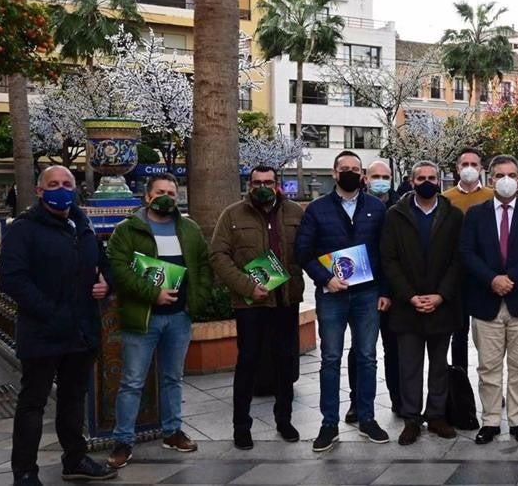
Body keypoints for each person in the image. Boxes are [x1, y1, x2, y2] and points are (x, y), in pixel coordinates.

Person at [0, 166, 114, 485]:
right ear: (39, 191)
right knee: (33, 403)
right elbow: (11, 279)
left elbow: (102, 264)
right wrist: (52, 312)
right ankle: (24, 471)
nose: (61, 190)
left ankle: (74, 458)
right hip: (43, 333)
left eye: (67, 184)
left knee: (73, 400)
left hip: (81, 333)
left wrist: (107, 283)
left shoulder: (83, 223)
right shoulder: (24, 229)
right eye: (54, 184)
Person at [105, 175, 212, 468]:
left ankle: (172, 431)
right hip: (143, 318)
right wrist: (153, 294)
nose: (166, 197)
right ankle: (123, 441)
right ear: (147, 196)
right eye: (160, 192)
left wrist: (197, 301)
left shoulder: (189, 229)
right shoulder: (127, 230)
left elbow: (202, 265)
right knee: (132, 382)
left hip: (179, 318)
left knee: (173, 378)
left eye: (171, 192)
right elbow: (119, 270)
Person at [296, 150, 391, 452]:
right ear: (334, 173)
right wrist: (325, 278)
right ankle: (328, 424)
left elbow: (387, 253)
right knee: (331, 359)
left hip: (367, 295)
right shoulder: (317, 208)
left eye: (355, 168)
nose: (350, 172)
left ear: (362, 174)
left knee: (366, 357)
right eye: (344, 168)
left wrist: (385, 291)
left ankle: (367, 418)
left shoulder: (377, 207)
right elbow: (303, 251)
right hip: (332, 295)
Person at [209, 165, 305, 450]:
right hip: (250, 303)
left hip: (286, 301)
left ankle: (284, 419)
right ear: (249, 186)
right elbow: (218, 255)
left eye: (269, 182)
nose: (263, 186)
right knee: (248, 362)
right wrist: (246, 286)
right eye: (257, 182)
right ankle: (241, 425)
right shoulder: (232, 215)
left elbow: (310, 249)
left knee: (285, 361)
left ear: (278, 185)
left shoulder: (295, 213)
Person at [461, 155, 518, 445]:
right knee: (488, 367)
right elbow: (467, 252)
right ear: (490, 178)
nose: (506, 180)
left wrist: (511, 277)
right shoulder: (476, 214)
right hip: (486, 303)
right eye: (500, 175)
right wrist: (492, 279)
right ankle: (489, 420)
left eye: (512, 174)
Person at [379, 161, 463, 444]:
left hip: (442, 304)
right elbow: (389, 259)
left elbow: (457, 260)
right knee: (409, 367)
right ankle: (411, 418)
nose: (427, 182)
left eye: (432, 177)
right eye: (421, 178)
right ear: (411, 181)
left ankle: (436, 415)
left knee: (439, 365)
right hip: (407, 305)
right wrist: (409, 295)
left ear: (439, 180)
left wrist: (441, 295)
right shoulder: (395, 214)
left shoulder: (453, 214)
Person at [344, 159, 401, 424]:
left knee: (395, 349)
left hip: (393, 292)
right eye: (375, 175)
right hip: (361, 289)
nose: (380, 180)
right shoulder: (356, 205)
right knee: (360, 350)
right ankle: (357, 403)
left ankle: (399, 400)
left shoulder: (401, 206)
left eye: (385, 176)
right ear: (366, 178)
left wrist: (389, 290)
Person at [444, 147, 493, 375]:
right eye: (465, 165)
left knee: (488, 334)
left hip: (485, 275)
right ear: (457, 168)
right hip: (457, 276)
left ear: (482, 168)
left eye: (474, 164)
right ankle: (459, 382)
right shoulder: (446, 199)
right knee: (459, 332)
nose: (470, 169)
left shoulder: (492, 197)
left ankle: (491, 381)